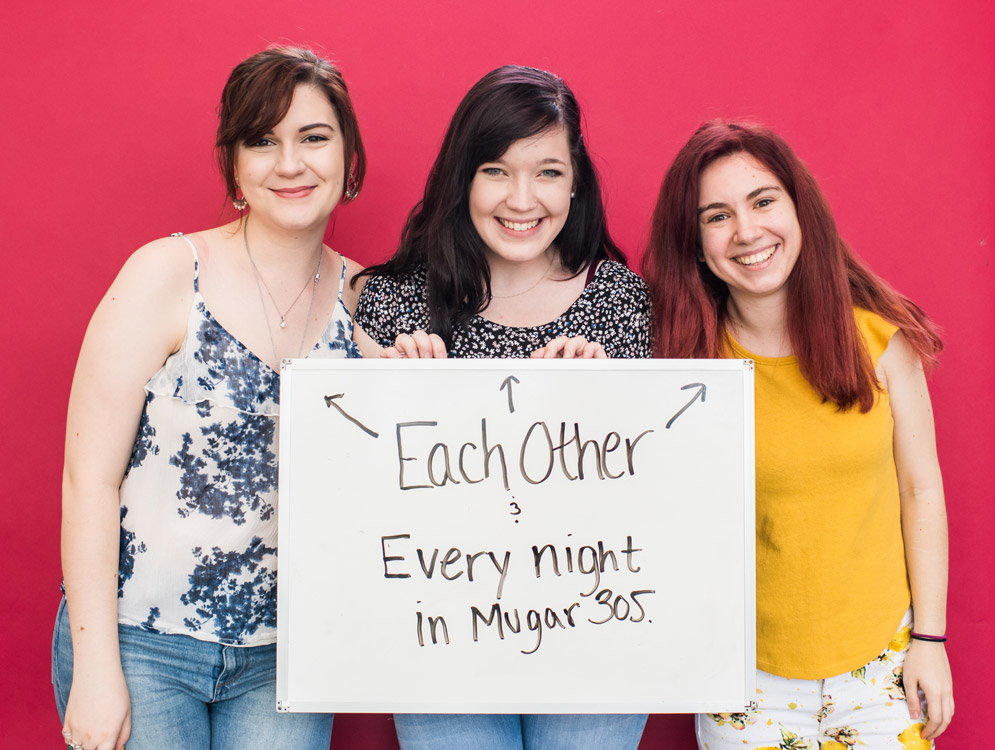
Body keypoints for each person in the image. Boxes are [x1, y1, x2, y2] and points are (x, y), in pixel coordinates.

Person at [53, 47, 373, 750]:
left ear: (349, 158)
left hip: (287, 662)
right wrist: (98, 670)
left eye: (313, 138)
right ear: (233, 165)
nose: (289, 163)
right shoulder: (165, 273)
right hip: (141, 643)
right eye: (263, 141)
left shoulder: (371, 301)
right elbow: (90, 479)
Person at [355, 66, 650, 748]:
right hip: (440, 636)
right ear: (463, 180)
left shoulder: (624, 301)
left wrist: (611, 410)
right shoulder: (397, 301)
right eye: (496, 170)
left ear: (575, 182)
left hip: (594, 637)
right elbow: (361, 502)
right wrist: (391, 401)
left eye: (546, 172)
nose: (522, 199)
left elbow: (653, 502)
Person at [642, 120, 954, 749]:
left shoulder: (881, 344)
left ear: (799, 207)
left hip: (882, 667)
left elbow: (921, 493)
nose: (747, 231)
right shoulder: (680, 370)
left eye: (763, 201)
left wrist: (930, 641)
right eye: (716, 216)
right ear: (695, 242)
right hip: (743, 678)